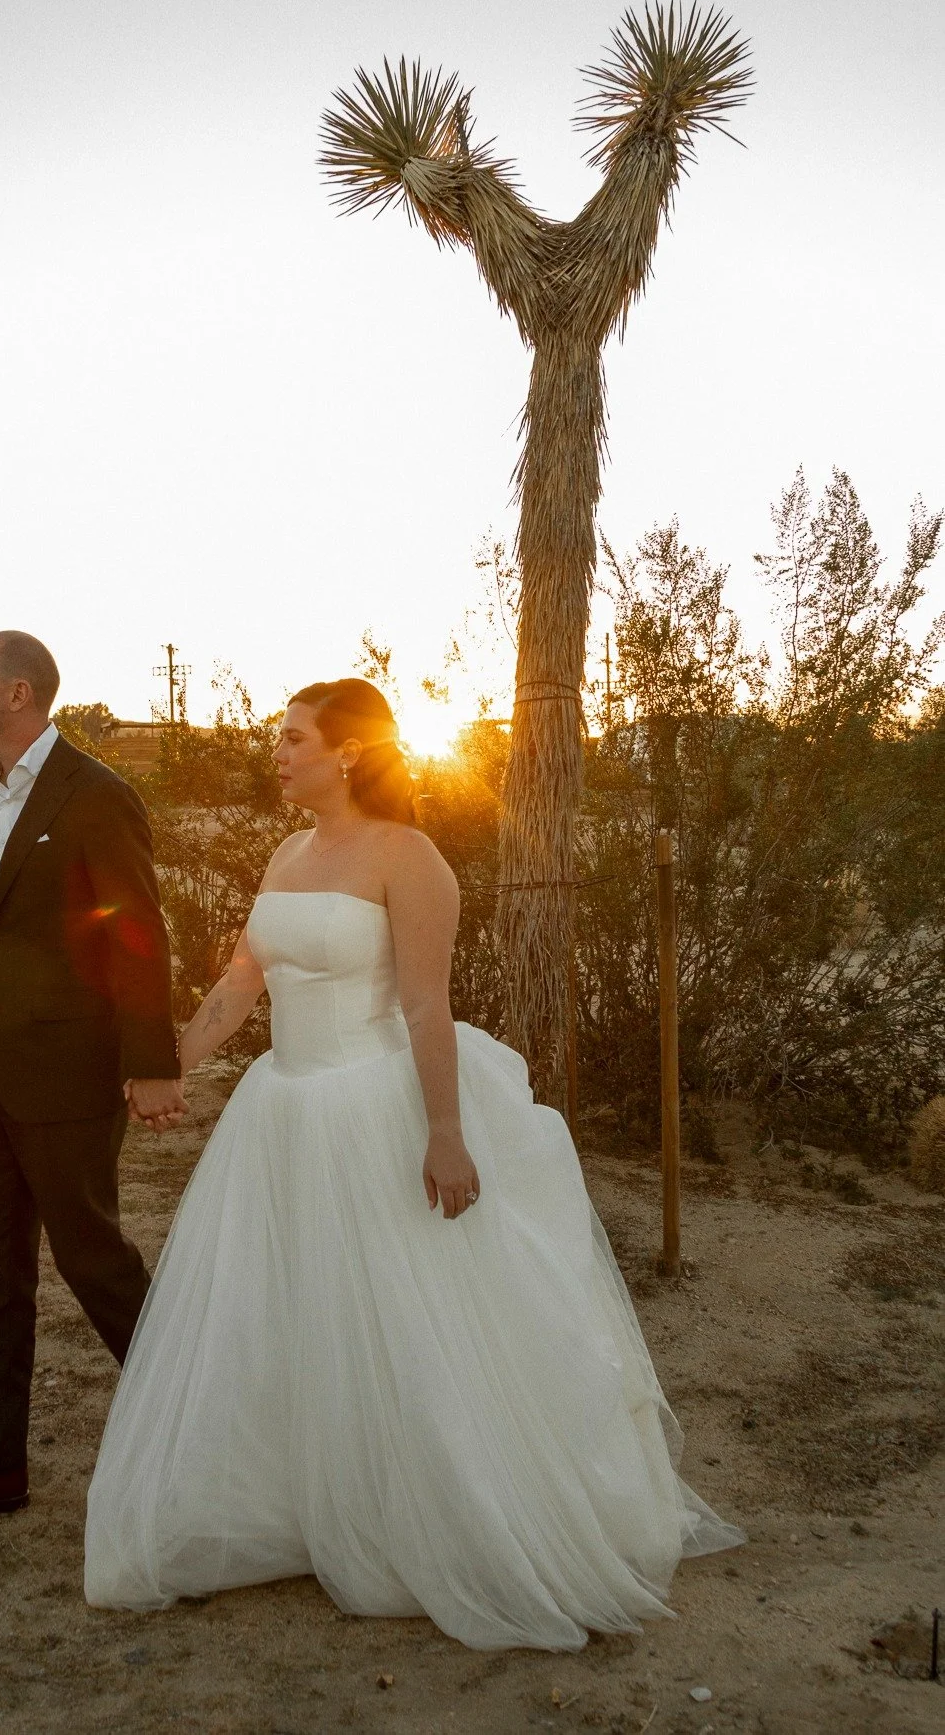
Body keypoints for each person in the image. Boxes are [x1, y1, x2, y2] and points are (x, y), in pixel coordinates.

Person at [84, 677, 741, 1650]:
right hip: (285, 1110)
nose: (277, 751)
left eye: (292, 736)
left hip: (374, 1105)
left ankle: (430, 1506)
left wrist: (444, 1130)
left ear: (349, 750)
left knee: (402, 1313)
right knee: (303, 1308)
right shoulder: (287, 852)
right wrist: (163, 1066)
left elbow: (428, 1008)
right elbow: (240, 982)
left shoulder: (410, 857)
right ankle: (312, 1495)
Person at [0, 631, 182, 1531]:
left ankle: (207, 1429)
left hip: (69, 1074)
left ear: (18, 693)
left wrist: (152, 1064)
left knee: (95, 1263)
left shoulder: (98, 795)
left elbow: (139, 932)